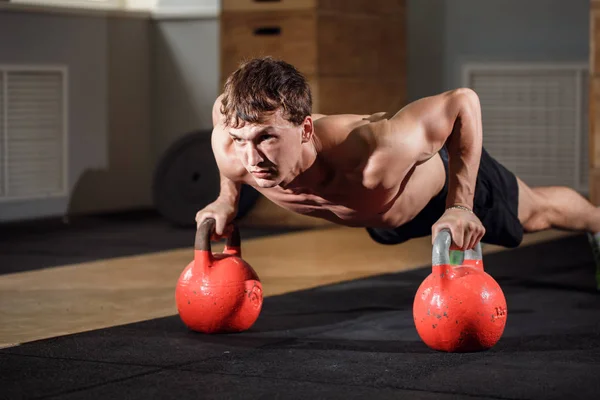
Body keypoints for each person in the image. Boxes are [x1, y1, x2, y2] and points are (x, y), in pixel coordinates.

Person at [195, 56, 600, 287]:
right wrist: (226, 200)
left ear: (304, 129)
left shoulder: (378, 148)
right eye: (241, 139)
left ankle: (597, 222)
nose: (251, 158)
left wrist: (460, 204)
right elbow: (223, 117)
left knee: (536, 214)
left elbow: (463, 101)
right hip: (381, 216)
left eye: (267, 138)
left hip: (436, 186)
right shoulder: (231, 141)